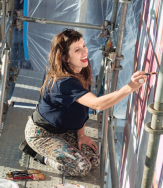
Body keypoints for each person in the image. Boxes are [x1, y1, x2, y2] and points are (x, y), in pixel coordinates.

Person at [24, 29, 147, 177]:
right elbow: (97, 105)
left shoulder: (81, 70)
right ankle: (40, 156)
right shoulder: (63, 83)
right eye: (77, 50)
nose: (84, 52)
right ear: (65, 58)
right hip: (41, 134)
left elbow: (81, 108)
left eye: (84, 46)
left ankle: (61, 149)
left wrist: (81, 134)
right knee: (81, 167)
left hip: (64, 131)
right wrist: (130, 87)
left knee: (94, 159)